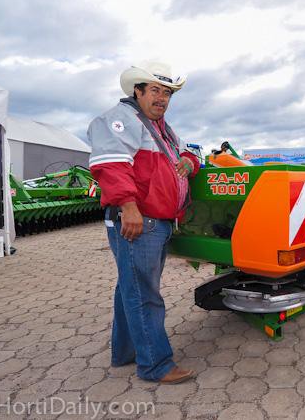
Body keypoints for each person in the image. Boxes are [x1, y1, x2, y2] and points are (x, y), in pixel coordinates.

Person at [87, 61, 200, 383]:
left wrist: (189, 163)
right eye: (154, 90)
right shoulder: (121, 119)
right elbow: (111, 166)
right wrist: (129, 207)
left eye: (167, 93)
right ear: (137, 92)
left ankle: (125, 352)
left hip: (155, 221)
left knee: (131, 287)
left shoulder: (163, 128)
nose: (161, 98)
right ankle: (155, 365)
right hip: (139, 220)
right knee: (144, 294)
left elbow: (190, 155)